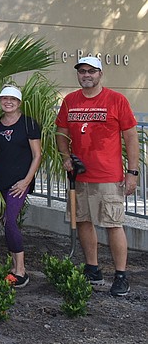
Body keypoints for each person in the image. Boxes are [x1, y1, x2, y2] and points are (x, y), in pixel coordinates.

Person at [56, 56, 139, 297]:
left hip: (108, 176)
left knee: (113, 224)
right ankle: (93, 269)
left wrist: (132, 172)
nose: (86, 75)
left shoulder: (116, 100)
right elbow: (61, 132)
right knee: (83, 221)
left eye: (91, 71)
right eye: (82, 71)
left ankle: (121, 275)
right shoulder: (70, 101)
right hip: (79, 175)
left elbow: (131, 137)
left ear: (100, 74)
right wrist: (65, 156)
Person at [0, 85, 41, 288]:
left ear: (19, 102)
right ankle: (13, 267)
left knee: (10, 220)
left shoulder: (28, 124)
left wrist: (26, 181)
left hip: (18, 184)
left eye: (12, 99)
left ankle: (21, 270)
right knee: (5, 222)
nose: (8, 102)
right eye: (4, 99)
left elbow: (37, 155)